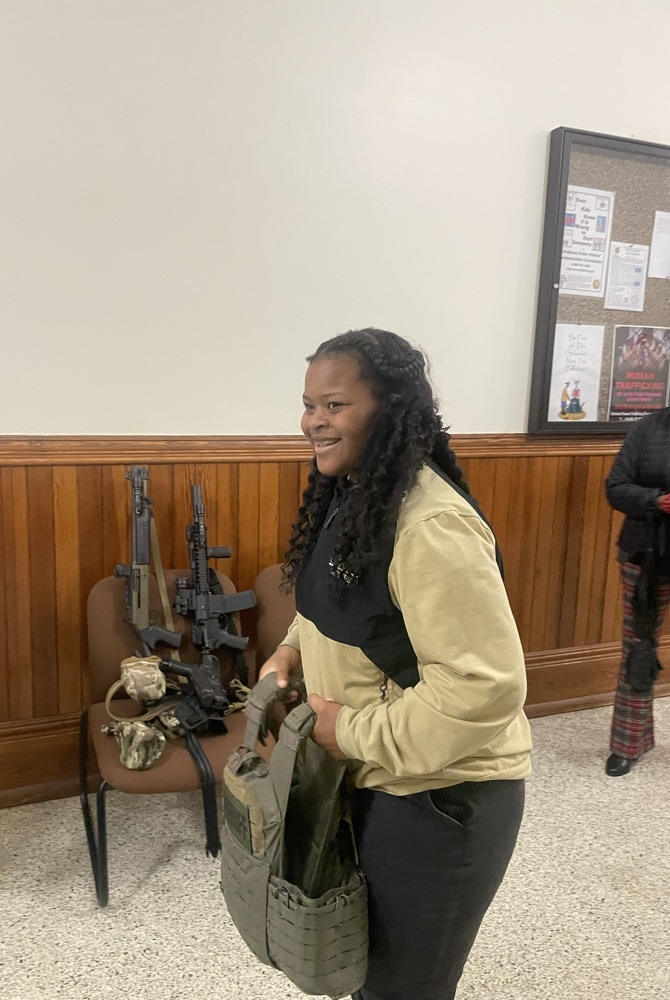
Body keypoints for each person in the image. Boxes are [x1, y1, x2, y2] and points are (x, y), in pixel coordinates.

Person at [259, 329, 532, 1000]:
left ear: (391, 408)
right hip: (377, 778)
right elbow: (337, 603)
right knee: (364, 972)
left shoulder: (430, 524)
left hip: (442, 800)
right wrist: (291, 648)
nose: (313, 422)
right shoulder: (357, 493)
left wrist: (346, 732)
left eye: (335, 405)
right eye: (308, 405)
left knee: (403, 988)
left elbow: (485, 688)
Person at [604, 408, 670, 776]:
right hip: (645, 555)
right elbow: (616, 487)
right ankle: (628, 743)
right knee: (638, 648)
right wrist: (658, 502)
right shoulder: (647, 428)